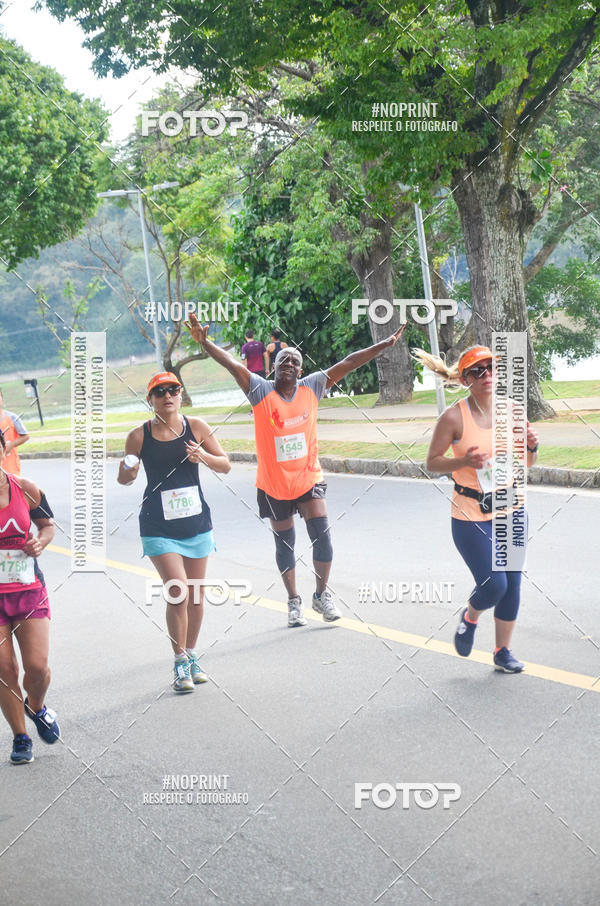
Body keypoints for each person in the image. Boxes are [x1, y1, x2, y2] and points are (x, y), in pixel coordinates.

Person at [187, 313, 405, 627]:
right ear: (273, 366)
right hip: (274, 484)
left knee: (322, 537)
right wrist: (205, 342)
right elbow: (232, 364)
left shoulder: (312, 387)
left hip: (308, 477)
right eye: (283, 359)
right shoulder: (259, 390)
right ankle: (293, 600)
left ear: (301, 371)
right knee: (285, 543)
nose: (289, 363)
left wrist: (384, 345)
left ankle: (321, 595)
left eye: (295, 361)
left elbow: (349, 362)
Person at [416, 345, 539, 673]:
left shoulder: (513, 411)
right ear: (465, 379)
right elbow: (432, 463)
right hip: (471, 513)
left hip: (511, 508)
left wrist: (532, 446)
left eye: (491, 368)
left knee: (512, 584)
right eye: (477, 371)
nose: (486, 375)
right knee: (494, 584)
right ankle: (470, 617)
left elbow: (526, 463)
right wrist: (464, 461)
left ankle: (502, 652)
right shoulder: (454, 416)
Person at [117, 372, 231, 693]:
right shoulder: (138, 436)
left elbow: (225, 464)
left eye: (173, 390)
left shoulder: (196, 427)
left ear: (181, 394)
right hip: (157, 525)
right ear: (150, 399)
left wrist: (203, 456)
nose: (167, 395)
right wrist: (130, 468)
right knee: (178, 590)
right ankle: (179, 660)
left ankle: (192, 655)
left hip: (196, 522)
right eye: (159, 391)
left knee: (196, 594)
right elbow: (123, 478)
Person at [0, 429, 59, 764]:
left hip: (27, 589)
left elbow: (47, 525)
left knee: (36, 667)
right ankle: (21, 737)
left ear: (3, 448)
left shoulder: (26, 487)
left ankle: (35, 705)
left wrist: (41, 542)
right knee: (4, 667)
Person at [0, 389, 30, 475]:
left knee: (13, 486)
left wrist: (11, 445)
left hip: (11, 466)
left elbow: (25, 436)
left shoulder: (12, 417)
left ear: (2, 398)